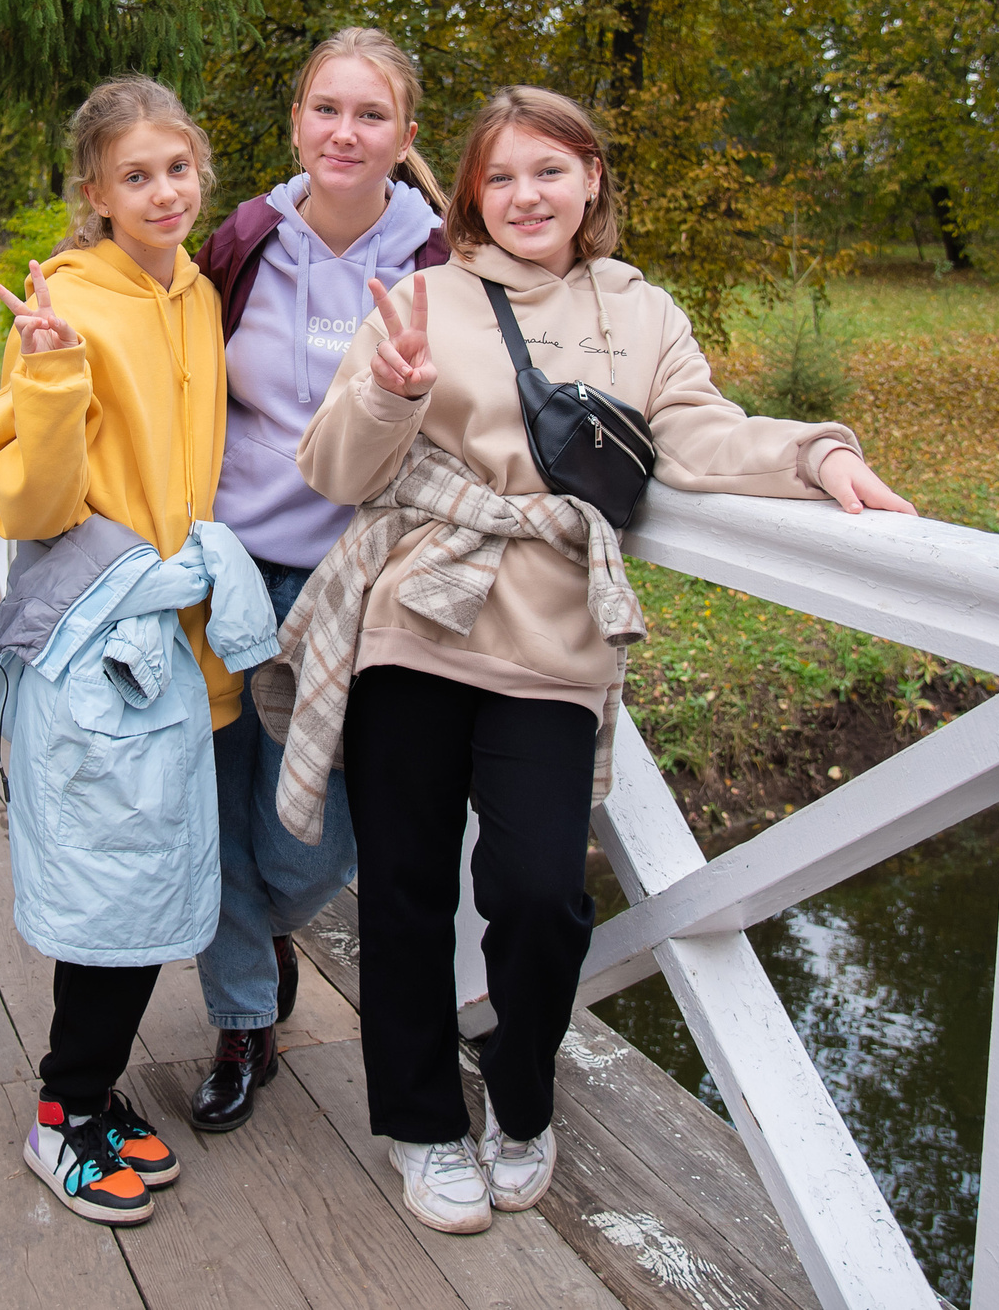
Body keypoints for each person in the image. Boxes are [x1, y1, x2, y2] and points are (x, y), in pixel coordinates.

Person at [274, 86, 913, 1235]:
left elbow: (697, 431)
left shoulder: (640, 309)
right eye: (502, 177)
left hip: (555, 633)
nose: (526, 197)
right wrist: (391, 390)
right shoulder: (423, 296)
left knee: (537, 898)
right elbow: (332, 468)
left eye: (550, 173)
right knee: (409, 897)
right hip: (416, 621)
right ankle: (421, 1128)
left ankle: (522, 1102)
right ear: (471, 192)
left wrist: (814, 454)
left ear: (592, 183)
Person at [0, 75, 275, 1227]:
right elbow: (28, 505)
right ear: (92, 192)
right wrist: (45, 369)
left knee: (155, 874)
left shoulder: (195, 293)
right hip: (100, 642)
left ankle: (92, 1097)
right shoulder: (69, 304)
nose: (162, 192)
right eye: (134, 176)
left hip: (183, 641)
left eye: (177, 169)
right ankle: (66, 1114)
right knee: (112, 882)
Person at [184, 27, 450, 1131]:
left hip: (357, 579)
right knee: (208, 801)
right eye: (325, 109)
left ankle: (268, 925)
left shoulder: (439, 257)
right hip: (228, 567)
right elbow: (173, 361)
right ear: (296, 120)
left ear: (404, 136)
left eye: (370, 114)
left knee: (318, 833)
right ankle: (243, 1016)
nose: (345, 133)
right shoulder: (246, 237)